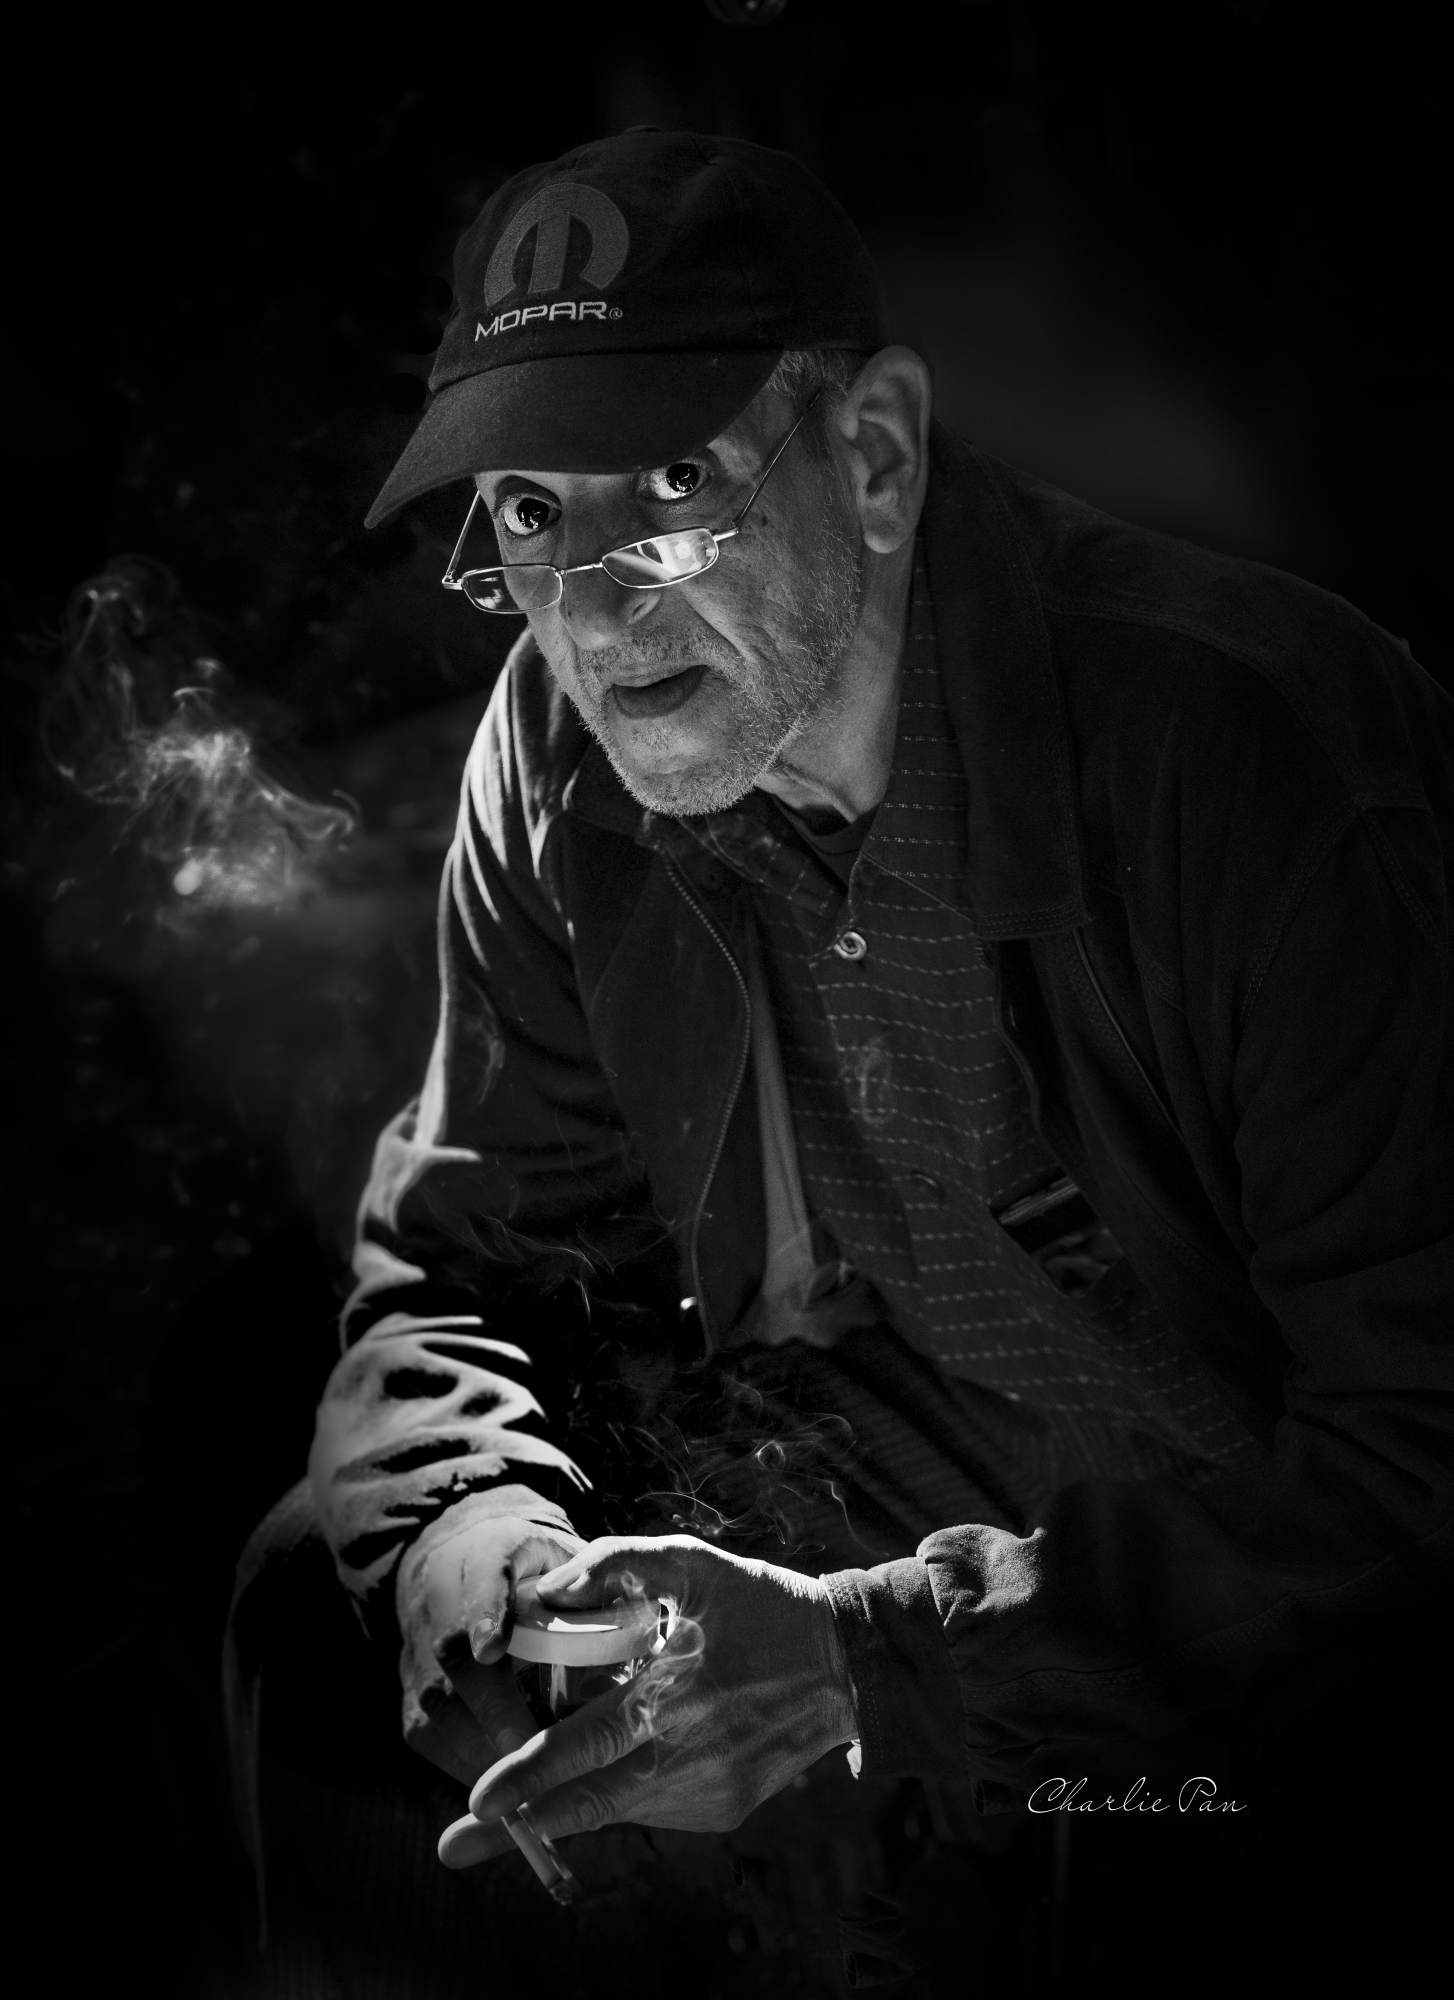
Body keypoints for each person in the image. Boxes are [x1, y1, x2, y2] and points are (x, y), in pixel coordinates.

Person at [232, 128, 1453, 1988]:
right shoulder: (558, 754)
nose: (593, 611)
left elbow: (1423, 1456)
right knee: (317, 1598)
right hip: (899, 1436)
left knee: (1145, 1845)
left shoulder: (1255, 758)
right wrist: (474, 1538)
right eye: (533, 515)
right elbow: (466, 1268)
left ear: (875, 457)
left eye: (671, 486)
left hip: (1258, 1541)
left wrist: (874, 1651)